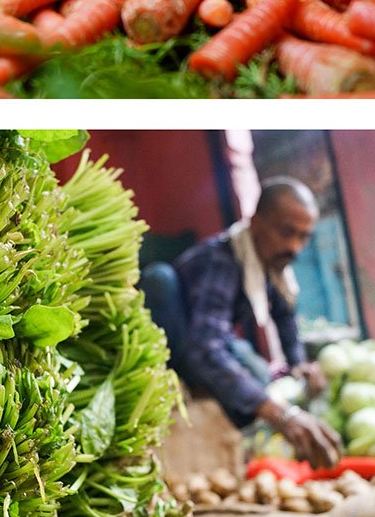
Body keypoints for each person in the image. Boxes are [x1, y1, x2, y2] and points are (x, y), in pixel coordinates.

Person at [141, 178, 342, 469]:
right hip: (180, 346)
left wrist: (299, 364)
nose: (295, 247)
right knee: (160, 280)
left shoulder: (270, 266)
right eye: (287, 233)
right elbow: (205, 347)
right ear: (256, 222)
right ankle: (191, 385)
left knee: (259, 375)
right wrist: (280, 414)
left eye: (303, 237)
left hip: (211, 339)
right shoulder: (221, 261)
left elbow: (285, 316)